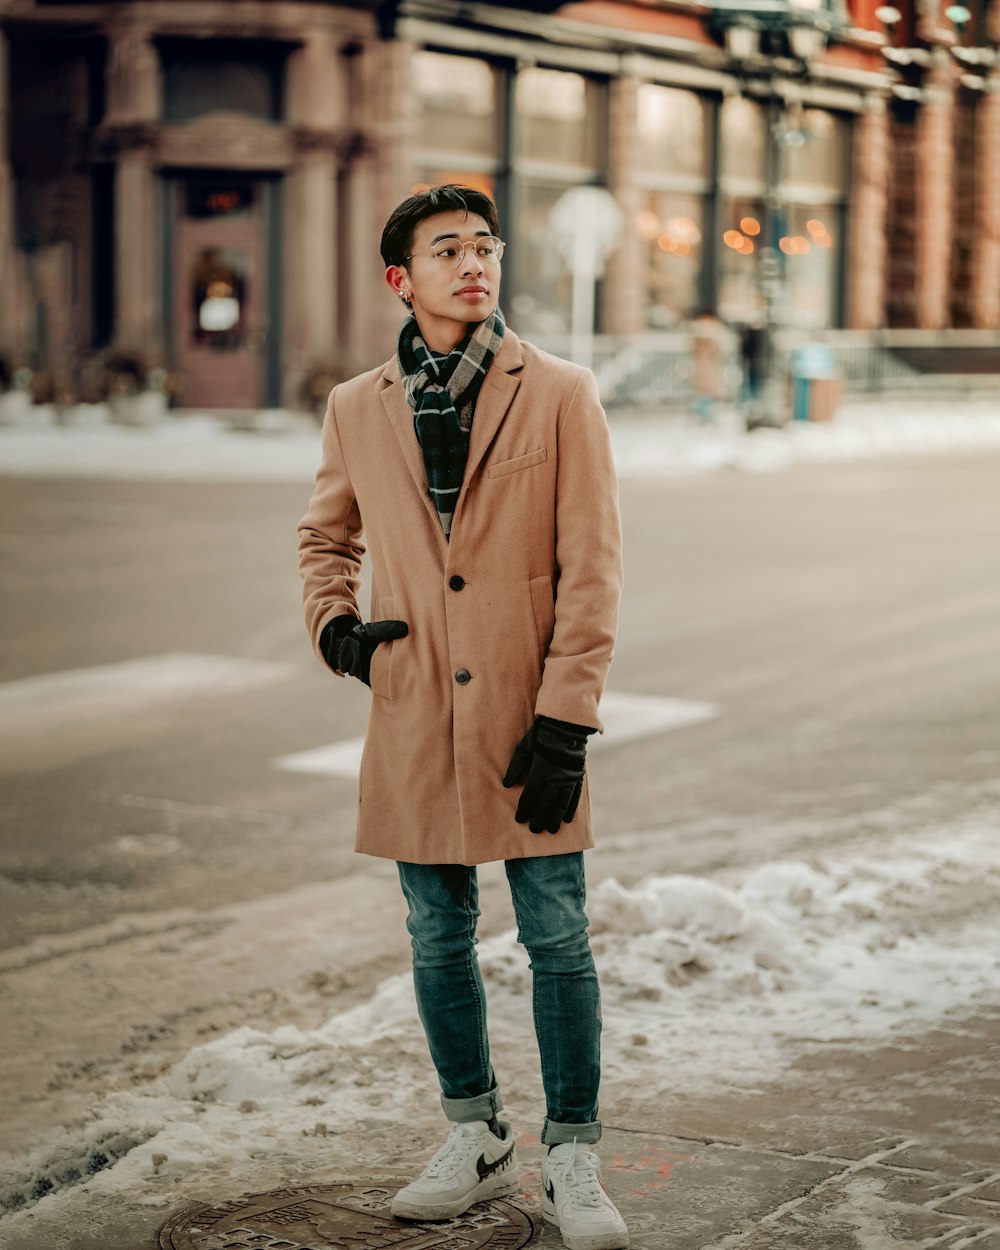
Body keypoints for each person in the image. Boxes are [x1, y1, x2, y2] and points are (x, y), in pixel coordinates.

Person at [297, 184, 627, 1250]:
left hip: (531, 712)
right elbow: (324, 538)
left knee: (557, 935)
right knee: (437, 935)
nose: (473, 262)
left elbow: (591, 568)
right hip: (411, 707)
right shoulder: (357, 404)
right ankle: (473, 1130)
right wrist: (334, 625)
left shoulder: (562, 391)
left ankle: (571, 1147)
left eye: (484, 245)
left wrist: (568, 718)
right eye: (447, 249)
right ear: (402, 278)